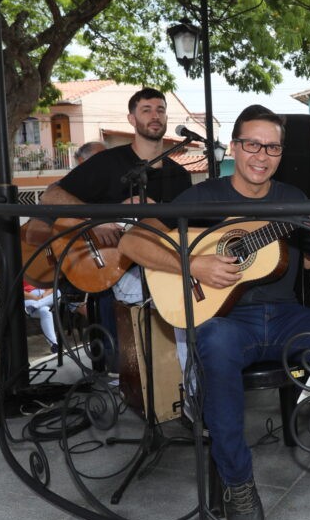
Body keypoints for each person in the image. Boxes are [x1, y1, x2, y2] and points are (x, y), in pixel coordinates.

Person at [118, 105, 310, 520]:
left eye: (272, 147)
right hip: (229, 320)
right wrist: (194, 264)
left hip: (291, 318)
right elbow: (133, 239)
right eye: (252, 144)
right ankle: (238, 483)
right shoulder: (202, 198)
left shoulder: (294, 197)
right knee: (213, 344)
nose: (261, 154)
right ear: (235, 148)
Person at [31, 87, 192, 370]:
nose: (155, 116)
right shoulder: (107, 163)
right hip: (110, 265)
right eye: (146, 110)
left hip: (159, 262)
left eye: (160, 110)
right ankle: (122, 372)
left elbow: (181, 229)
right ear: (131, 119)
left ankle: (180, 380)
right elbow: (50, 195)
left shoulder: (177, 175)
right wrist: (96, 219)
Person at [23, 283, 60, 352]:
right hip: (29, 298)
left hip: (46, 296)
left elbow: (52, 285)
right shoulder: (18, 272)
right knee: (45, 310)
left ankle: (36, 305)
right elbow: (18, 291)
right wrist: (36, 298)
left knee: (59, 291)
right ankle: (54, 344)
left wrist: (45, 295)